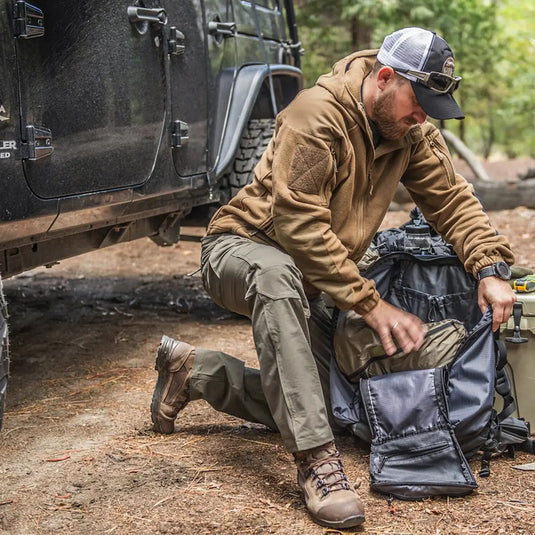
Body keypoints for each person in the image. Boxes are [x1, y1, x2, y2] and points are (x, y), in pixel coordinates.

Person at [150, 27, 516, 530]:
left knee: (322, 403)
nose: (422, 116)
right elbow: (299, 228)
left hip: (319, 277)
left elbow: (451, 201)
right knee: (276, 277)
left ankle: (194, 373)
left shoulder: (408, 130)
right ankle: (317, 464)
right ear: (385, 78)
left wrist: (491, 268)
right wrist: (371, 304)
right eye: (418, 102)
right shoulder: (314, 116)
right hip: (243, 249)